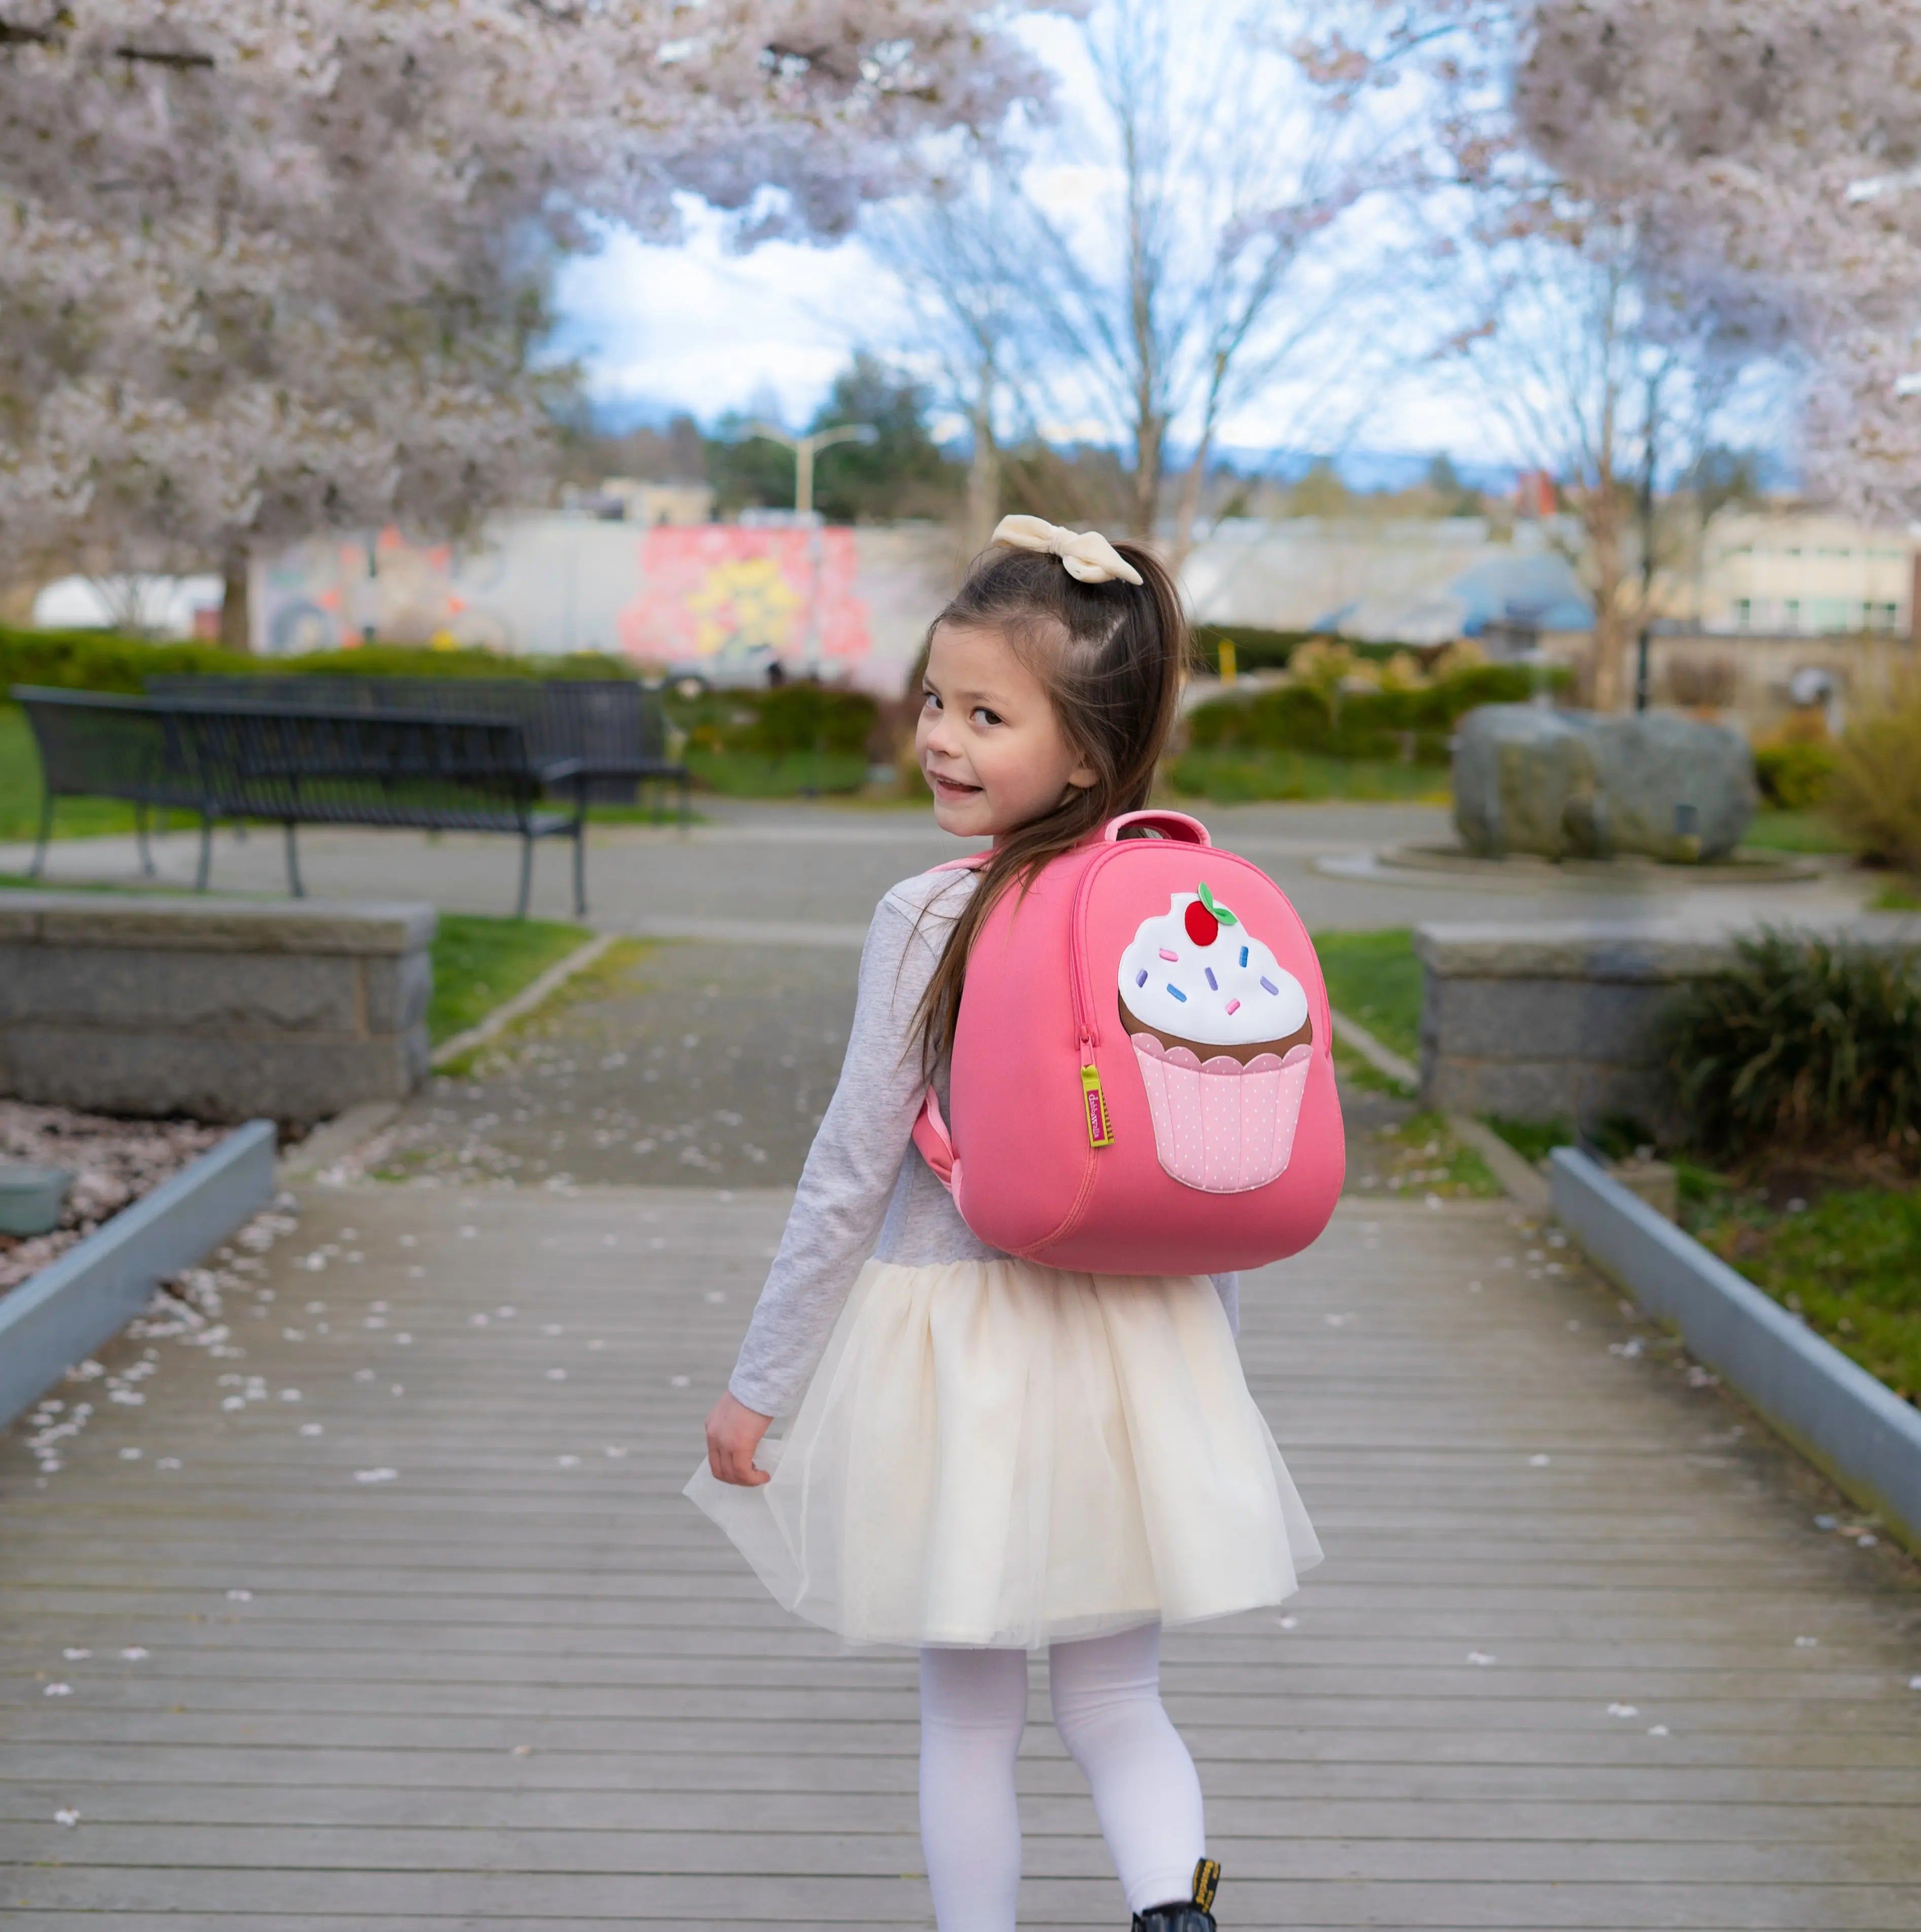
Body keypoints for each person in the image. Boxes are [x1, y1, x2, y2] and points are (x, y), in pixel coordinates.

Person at [689, 516, 1321, 1932]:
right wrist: (1209, 1375)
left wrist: (761, 1380)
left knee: (969, 1719)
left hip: (961, 1359)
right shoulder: (1171, 907)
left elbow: (851, 1168)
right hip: (1136, 1355)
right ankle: (1173, 1909)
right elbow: (1196, 1183)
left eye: (987, 715)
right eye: (935, 700)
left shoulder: (931, 916)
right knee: (1119, 1699)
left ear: (1086, 751)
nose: (941, 739)